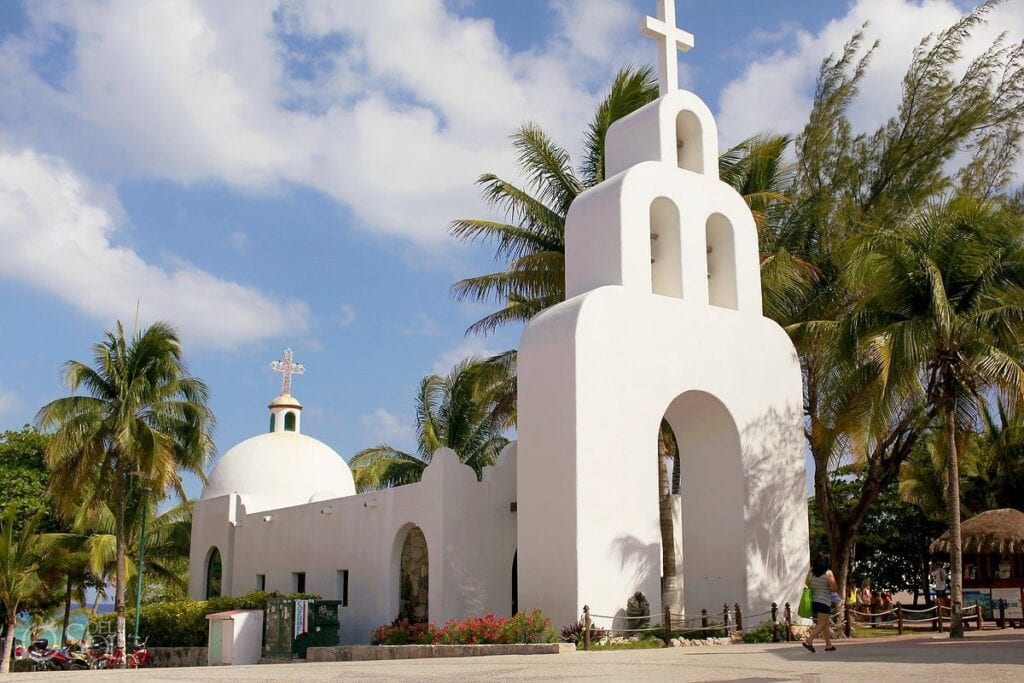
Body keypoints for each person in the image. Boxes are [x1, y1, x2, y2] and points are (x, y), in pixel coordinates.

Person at [802, 553, 839, 653]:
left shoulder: (811, 571)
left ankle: (828, 645)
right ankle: (809, 640)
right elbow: (835, 588)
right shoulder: (828, 573)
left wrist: (816, 586)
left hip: (814, 601)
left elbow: (807, 583)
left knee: (825, 624)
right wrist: (827, 588)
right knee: (822, 623)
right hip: (824, 601)